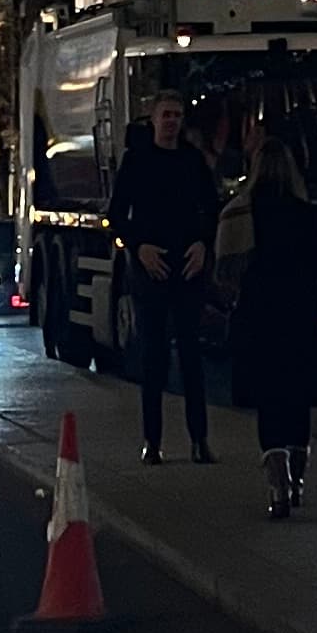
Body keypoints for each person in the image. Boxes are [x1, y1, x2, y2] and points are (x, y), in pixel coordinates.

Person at [106, 94, 218, 465]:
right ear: (153, 120)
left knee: (190, 357)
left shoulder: (192, 161)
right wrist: (139, 248)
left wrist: (202, 244)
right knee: (153, 357)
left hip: (187, 267)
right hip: (150, 270)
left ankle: (199, 439)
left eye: (177, 115)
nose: (172, 121)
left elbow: (212, 208)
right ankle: (152, 442)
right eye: (166, 115)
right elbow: (117, 214)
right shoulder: (136, 162)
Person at [230, 143, 317, 518]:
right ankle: (298, 479)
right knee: (297, 399)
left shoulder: (243, 212)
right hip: (299, 315)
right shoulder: (306, 214)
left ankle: (277, 487)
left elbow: (227, 265)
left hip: (259, 316)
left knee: (269, 400)